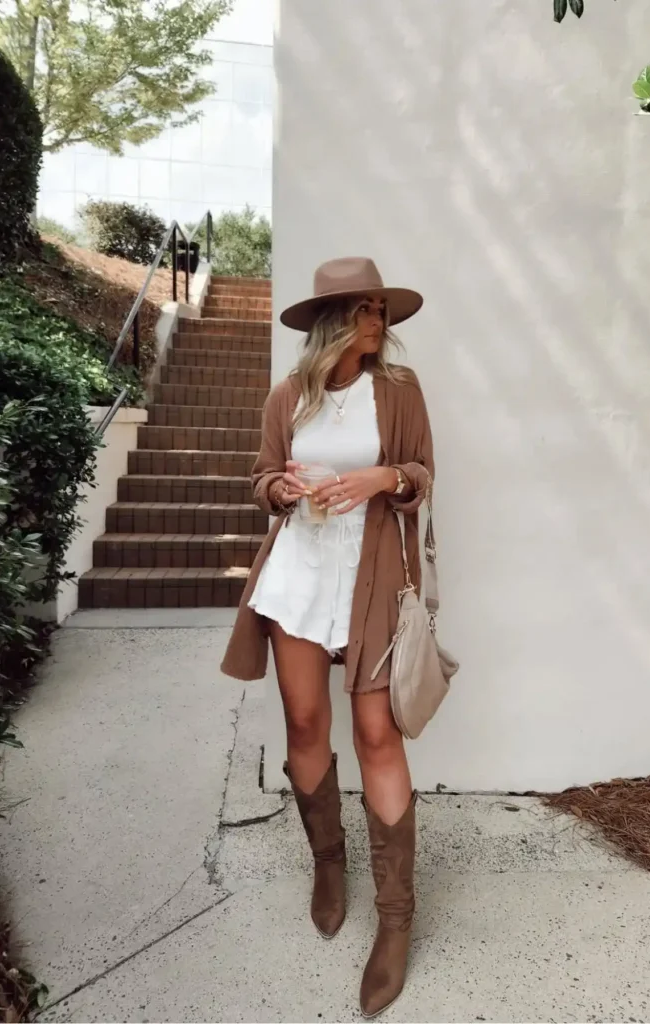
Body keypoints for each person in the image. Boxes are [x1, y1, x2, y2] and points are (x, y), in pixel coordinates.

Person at [221, 257, 433, 1018]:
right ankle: (328, 866)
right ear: (334, 318)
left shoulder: (399, 393)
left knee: (377, 733)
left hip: (371, 575)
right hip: (299, 576)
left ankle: (397, 920)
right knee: (306, 721)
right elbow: (261, 478)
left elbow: (421, 476)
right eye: (366, 308)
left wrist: (383, 479)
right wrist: (281, 488)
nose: (379, 319)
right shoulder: (291, 395)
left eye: (382, 307)